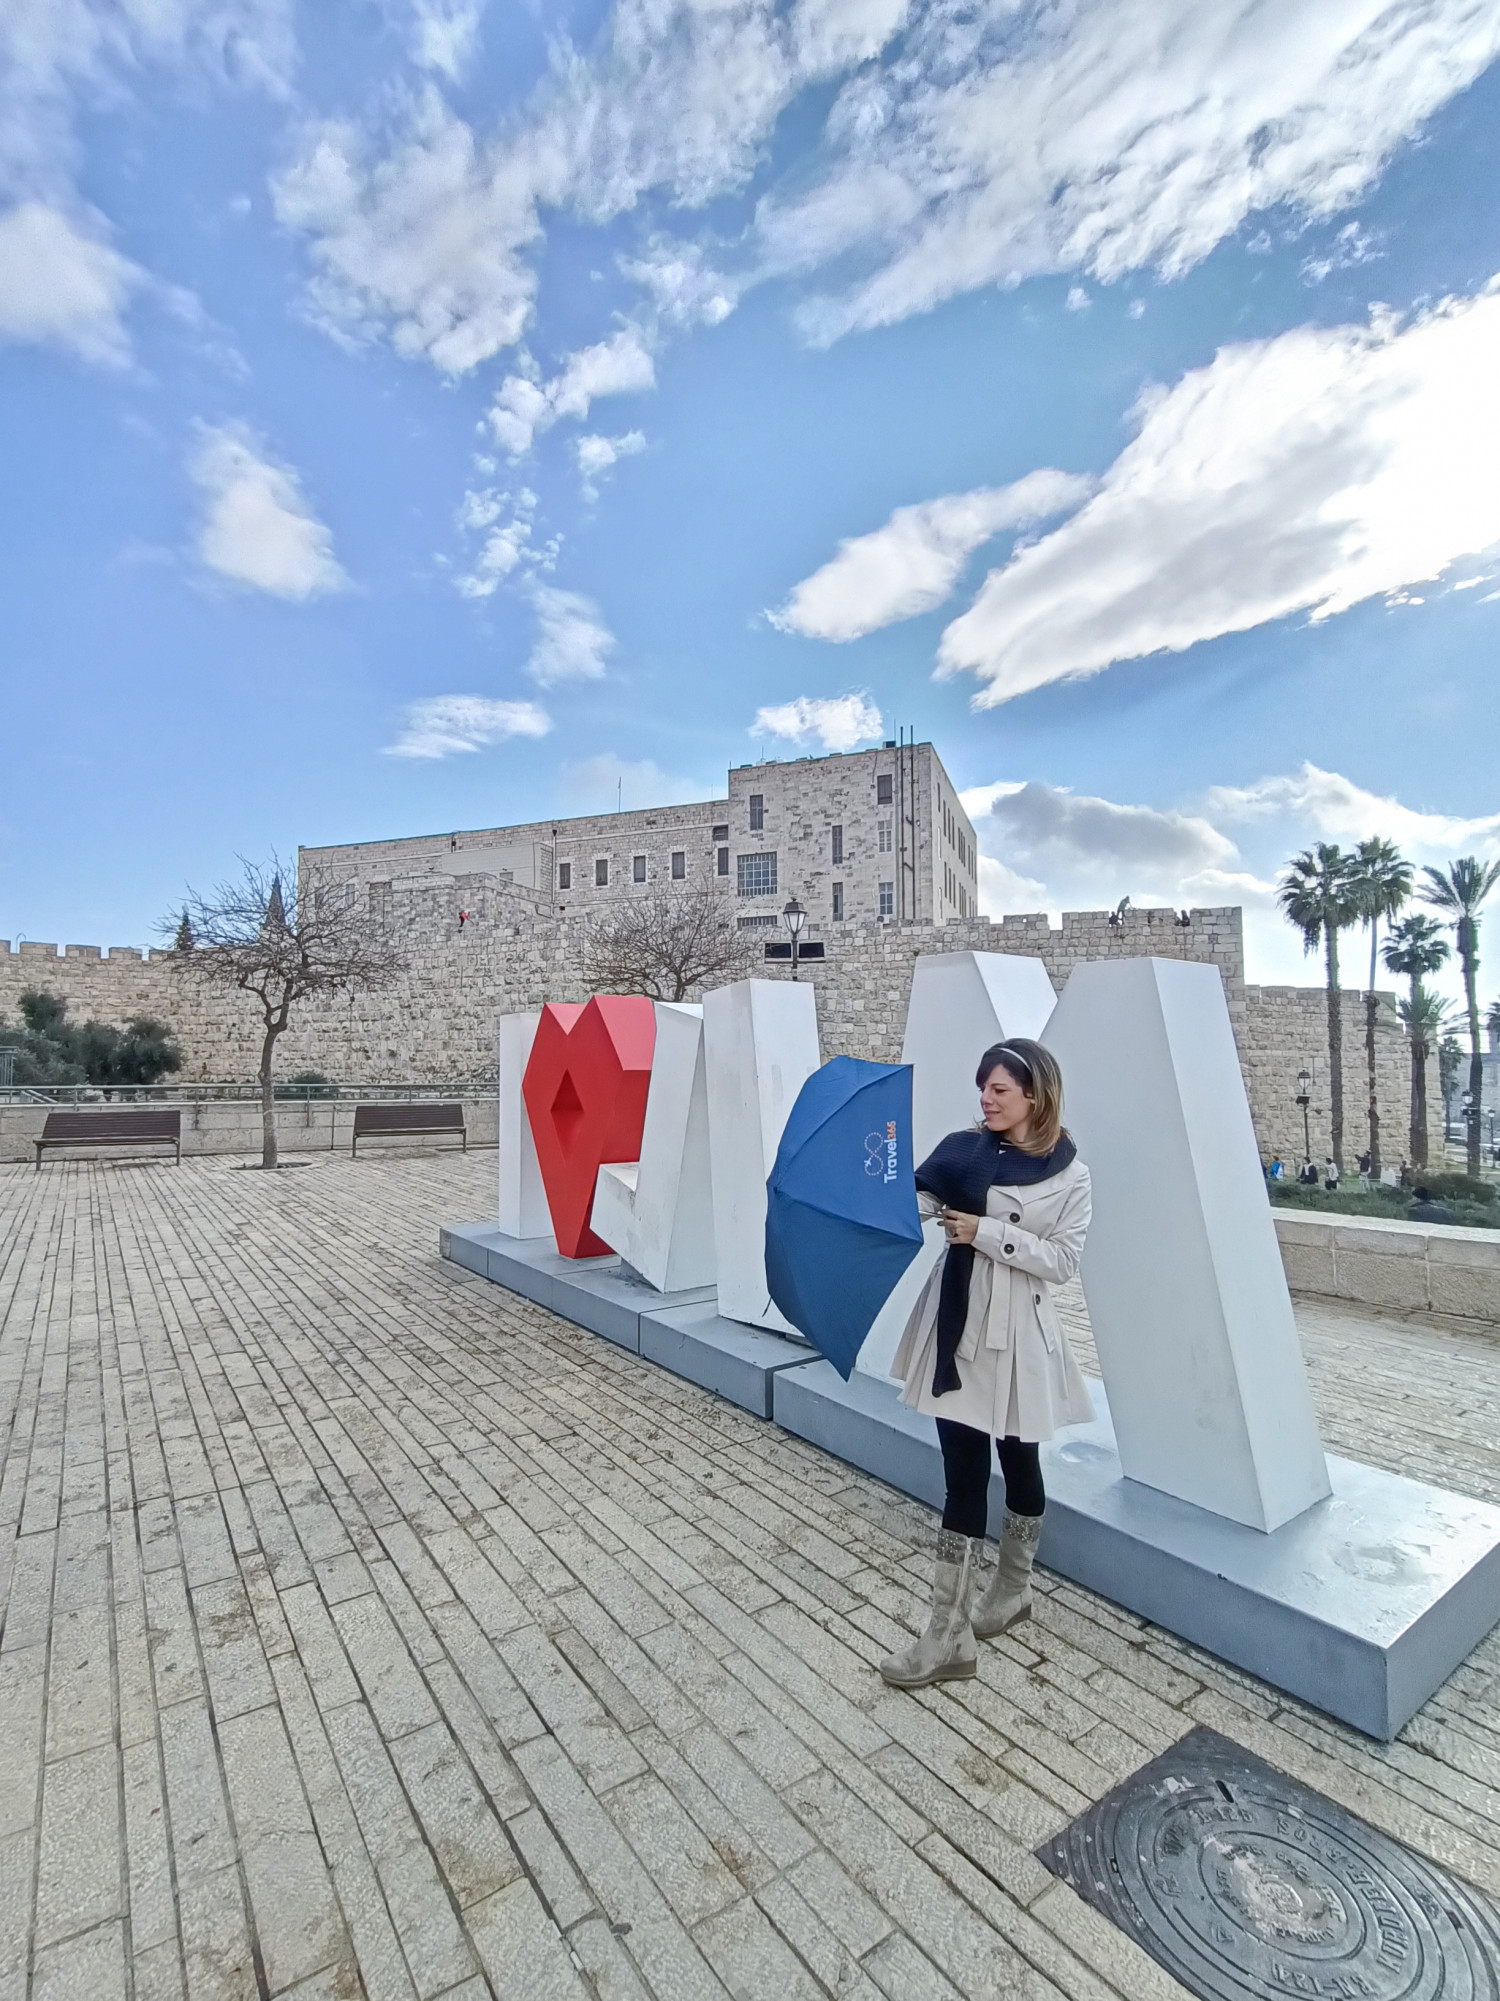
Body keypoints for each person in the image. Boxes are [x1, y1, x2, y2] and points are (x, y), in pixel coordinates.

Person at [879, 1039, 1093, 1690]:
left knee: (1021, 1462)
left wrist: (987, 1231)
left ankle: (1012, 1589)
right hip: (957, 1324)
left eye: (1000, 1090)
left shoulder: (1069, 1174)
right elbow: (916, 1197)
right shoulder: (963, 1150)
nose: (987, 1099)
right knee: (963, 1474)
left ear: (1035, 1096)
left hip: (1020, 1335)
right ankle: (947, 1634)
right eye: (983, 1089)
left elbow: (1062, 1260)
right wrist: (886, 1198)